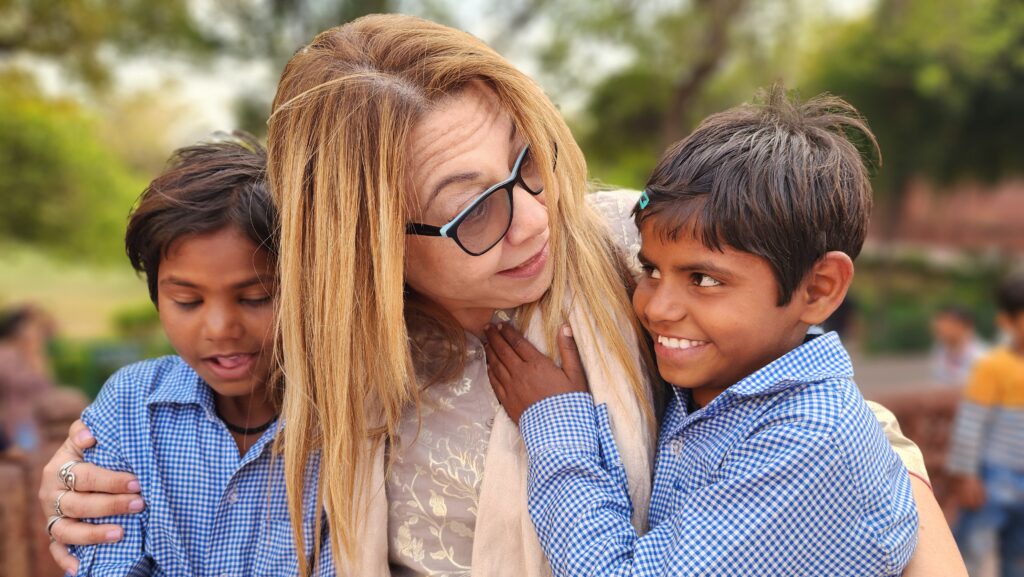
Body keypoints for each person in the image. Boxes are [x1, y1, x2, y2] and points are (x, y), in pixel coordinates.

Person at [40, 14, 963, 577]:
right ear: (368, 243)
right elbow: (193, 431)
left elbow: (831, 427)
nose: (528, 219)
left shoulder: (632, 252)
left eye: (525, 163)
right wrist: (80, 483)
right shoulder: (320, 348)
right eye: (470, 207)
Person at [485, 88, 920, 576]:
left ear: (819, 289)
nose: (656, 308)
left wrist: (556, 422)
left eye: (705, 280)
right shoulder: (717, 382)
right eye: (650, 270)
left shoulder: (810, 440)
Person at [57, 133, 333, 575]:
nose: (220, 328)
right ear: (157, 297)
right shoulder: (130, 407)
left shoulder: (349, 425)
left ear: (308, 287)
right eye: (188, 301)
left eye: (256, 298)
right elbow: (106, 560)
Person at [947, 273, 1024, 577]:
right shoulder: (993, 366)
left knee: (1017, 556)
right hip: (994, 479)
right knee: (970, 551)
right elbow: (971, 423)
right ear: (1007, 322)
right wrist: (966, 475)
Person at [0, 304, 57, 454]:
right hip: (17, 424)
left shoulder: (35, 355)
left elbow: (47, 387)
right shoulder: (6, 353)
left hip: (40, 423)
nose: (39, 332)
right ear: (18, 330)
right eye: (33, 327)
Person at [930, 305, 988, 387]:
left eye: (946, 323)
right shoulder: (939, 351)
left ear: (965, 326)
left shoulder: (982, 356)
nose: (939, 327)